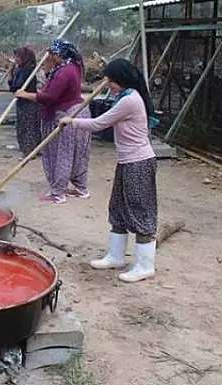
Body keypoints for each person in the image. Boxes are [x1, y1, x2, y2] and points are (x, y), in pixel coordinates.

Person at [60, 58, 158, 283]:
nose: (109, 85)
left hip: (139, 163)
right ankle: (115, 256)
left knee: (140, 210)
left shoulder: (130, 100)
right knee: (118, 207)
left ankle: (145, 265)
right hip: (126, 162)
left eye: (111, 81)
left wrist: (71, 121)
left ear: (122, 80)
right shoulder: (123, 96)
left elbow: (98, 124)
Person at [15, 39, 92, 204]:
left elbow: (50, 97)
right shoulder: (71, 67)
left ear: (59, 55)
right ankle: (81, 188)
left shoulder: (64, 72)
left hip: (66, 115)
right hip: (76, 113)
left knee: (60, 154)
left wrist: (25, 95)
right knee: (77, 154)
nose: (48, 56)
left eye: (51, 53)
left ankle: (58, 193)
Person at [7, 47, 41, 157]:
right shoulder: (20, 69)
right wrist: (11, 74)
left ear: (25, 58)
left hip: (29, 103)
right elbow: (13, 86)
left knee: (28, 127)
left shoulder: (27, 70)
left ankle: (29, 151)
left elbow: (16, 86)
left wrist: (12, 78)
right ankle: (29, 149)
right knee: (24, 126)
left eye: (18, 57)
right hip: (22, 102)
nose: (16, 59)